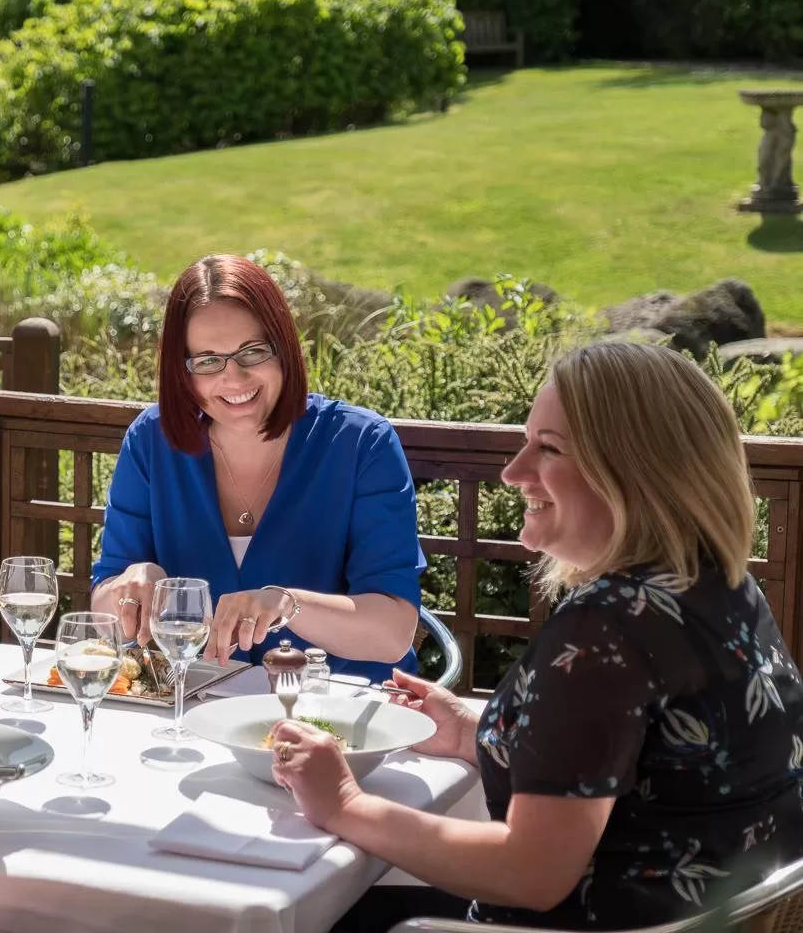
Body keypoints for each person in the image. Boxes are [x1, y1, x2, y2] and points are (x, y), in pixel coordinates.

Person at [270, 341, 803, 931]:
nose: (512, 472)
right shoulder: (719, 587)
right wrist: (474, 732)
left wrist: (344, 802)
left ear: (635, 474)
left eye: (548, 449)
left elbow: (531, 873)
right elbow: (655, 769)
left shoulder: (610, 627)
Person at [91, 254, 425, 683]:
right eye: (208, 360)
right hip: (191, 705)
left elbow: (392, 633)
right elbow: (102, 606)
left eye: (253, 351)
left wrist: (288, 603)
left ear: (283, 346)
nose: (234, 378)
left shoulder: (361, 443)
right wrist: (130, 585)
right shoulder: (150, 440)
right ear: (183, 371)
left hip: (334, 712)